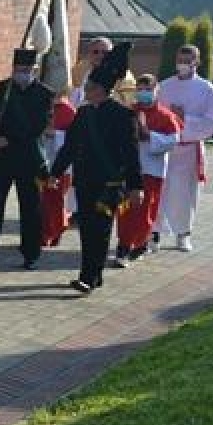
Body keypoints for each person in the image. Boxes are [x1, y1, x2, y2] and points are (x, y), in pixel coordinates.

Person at [50, 44, 143, 293]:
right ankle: (93, 274)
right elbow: (69, 147)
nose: (86, 91)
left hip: (109, 184)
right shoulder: (83, 114)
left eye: (90, 88)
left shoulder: (124, 116)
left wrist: (136, 186)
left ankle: (88, 277)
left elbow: (131, 154)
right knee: (87, 229)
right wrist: (55, 172)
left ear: (102, 90)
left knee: (100, 231)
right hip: (85, 180)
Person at [0, 48, 53, 274]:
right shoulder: (3, 88)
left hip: (28, 159)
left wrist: (6, 140)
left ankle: (31, 254)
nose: (22, 74)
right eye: (18, 70)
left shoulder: (45, 94)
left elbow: (36, 128)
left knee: (30, 209)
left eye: (26, 70)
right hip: (1, 160)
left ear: (34, 70)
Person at [155, 45, 213, 252]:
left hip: (188, 150)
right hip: (164, 149)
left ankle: (183, 233)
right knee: (159, 192)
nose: (183, 64)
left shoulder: (206, 89)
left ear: (197, 62)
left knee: (185, 194)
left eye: (188, 60)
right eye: (181, 59)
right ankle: (154, 234)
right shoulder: (165, 86)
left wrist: (185, 118)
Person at [113, 74, 180, 266]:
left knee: (145, 209)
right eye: (140, 89)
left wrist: (150, 136)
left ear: (156, 90)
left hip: (152, 170)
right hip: (129, 169)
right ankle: (124, 244)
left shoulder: (166, 115)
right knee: (125, 209)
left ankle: (140, 242)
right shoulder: (129, 112)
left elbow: (173, 141)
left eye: (148, 89)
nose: (144, 93)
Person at [39, 91, 78, 249]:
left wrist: (55, 134)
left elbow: (74, 138)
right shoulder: (40, 105)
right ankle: (43, 233)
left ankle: (56, 231)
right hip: (41, 161)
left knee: (57, 200)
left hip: (61, 164)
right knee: (41, 200)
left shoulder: (69, 111)